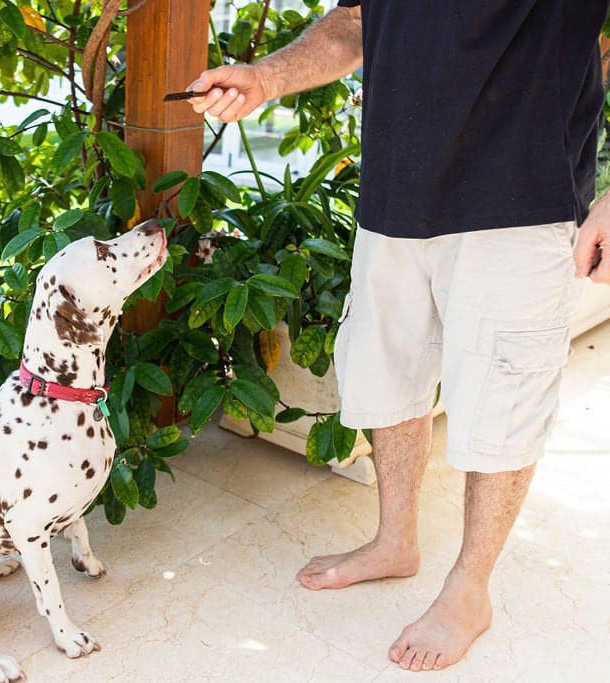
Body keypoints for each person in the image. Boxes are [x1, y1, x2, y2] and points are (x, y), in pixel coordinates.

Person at [187, 0, 609, 673]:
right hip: (395, 192)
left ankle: (470, 588)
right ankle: (395, 540)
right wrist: (265, 78)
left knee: (504, 401)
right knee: (388, 372)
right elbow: (356, 23)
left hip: (522, 196)